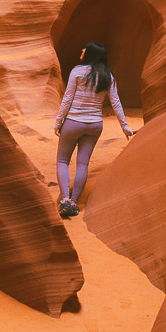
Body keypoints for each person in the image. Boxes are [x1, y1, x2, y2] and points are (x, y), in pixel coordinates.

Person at [54, 42, 133, 218]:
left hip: (73, 121)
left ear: (91, 54)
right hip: (95, 124)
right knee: (83, 163)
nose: (82, 50)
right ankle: (74, 202)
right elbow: (115, 102)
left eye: (85, 49)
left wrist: (59, 121)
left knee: (62, 160)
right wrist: (124, 126)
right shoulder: (108, 76)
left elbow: (67, 98)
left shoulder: (77, 72)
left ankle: (65, 200)